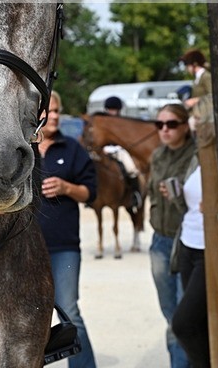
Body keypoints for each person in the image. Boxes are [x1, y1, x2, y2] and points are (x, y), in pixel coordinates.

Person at [37, 90, 98, 368]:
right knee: (25, 318)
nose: (54, 116)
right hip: (23, 251)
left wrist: (66, 188)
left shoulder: (72, 149)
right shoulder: (19, 148)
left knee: (69, 313)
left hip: (64, 248)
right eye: (48, 110)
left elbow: (91, 193)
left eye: (57, 111)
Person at [148, 103, 196, 368]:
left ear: (185, 126)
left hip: (186, 241)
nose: (165, 130)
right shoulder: (157, 155)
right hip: (159, 242)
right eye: (160, 124)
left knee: (182, 319)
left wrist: (178, 195)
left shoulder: (197, 156)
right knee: (170, 316)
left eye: (171, 124)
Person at [171, 159, 210, 367]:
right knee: (199, 325)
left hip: (209, 251)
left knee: (183, 324)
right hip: (188, 244)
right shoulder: (197, 157)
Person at [102, 96, 143, 212]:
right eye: (110, 109)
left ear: (119, 110)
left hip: (119, 150)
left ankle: (135, 194)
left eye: (114, 109)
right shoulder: (103, 122)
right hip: (104, 150)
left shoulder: (122, 122)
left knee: (131, 168)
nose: (112, 112)